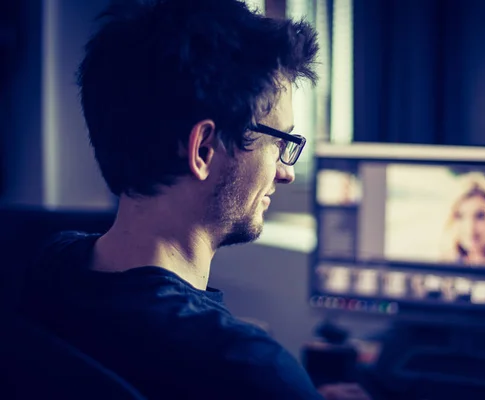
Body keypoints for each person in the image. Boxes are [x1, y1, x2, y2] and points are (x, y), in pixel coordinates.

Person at [18, 1, 370, 399]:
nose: (286, 171)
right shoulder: (251, 369)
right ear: (203, 149)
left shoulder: (44, 267)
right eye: (279, 142)